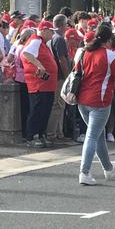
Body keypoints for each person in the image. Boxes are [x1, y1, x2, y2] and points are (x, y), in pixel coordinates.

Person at [76, 24, 115, 185]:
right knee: (93, 136)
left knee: (98, 135)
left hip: (82, 100)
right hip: (100, 100)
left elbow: (76, 71)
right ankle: (84, 172)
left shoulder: (84, 53)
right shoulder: (110, 56)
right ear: (109, 39)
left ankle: (108, 168)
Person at [21, 20, 59, 147]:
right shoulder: (36, 40)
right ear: (44, 30)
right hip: (39, 83)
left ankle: (41, 134)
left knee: (45, 110)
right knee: (37, 110)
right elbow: (26, 53)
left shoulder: (42, 42)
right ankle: (31, 136)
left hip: (46, 84)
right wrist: (40, 65)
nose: (52, 34)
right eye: (50, 31)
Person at [47, 14, 71, 142]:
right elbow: (62, 59)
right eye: (66, 24)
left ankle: (58, 132)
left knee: (59, 105)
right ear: (62, 25)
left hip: (54, 76)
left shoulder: (51, 38)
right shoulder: (59, 39)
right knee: (57, 105)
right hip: (60, 76)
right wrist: (68, 76)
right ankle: (52, 133)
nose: (67, 27)